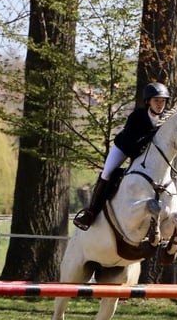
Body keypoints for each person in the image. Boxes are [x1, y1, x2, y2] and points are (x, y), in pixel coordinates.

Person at [73, 82, 171, 231]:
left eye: (162, 101)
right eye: (156, 101)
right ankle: (91, 212)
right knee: (107, 172)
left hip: (148, 154)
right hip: (125, 148)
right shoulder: (137, 116)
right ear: (148, 102)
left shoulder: (167, 118)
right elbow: (131, 145)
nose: (160, 104)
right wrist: (150, 136)